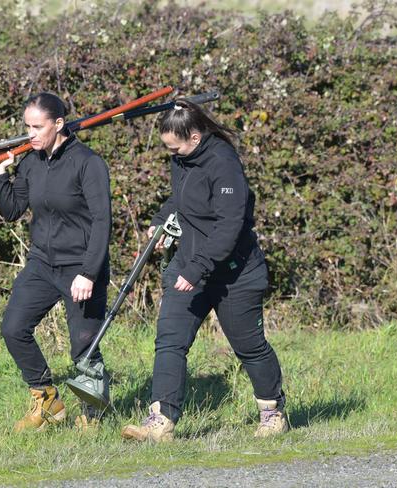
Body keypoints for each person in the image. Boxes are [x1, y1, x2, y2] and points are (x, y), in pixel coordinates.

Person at [121, 99, 288, 442]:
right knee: (170, 342)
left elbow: (229, 225)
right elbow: (181, 202)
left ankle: (273, 413)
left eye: (175, 146)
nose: (172, 153)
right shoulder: (182, 161)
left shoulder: (224, 164)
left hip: (234, 273)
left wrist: (197, 266)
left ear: (194, 137)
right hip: (191, 267)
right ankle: (161, 421)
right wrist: (160, 223)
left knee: (250, 346)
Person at [0, 92, 111, 432]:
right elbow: (13, 210)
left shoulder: (88, 163)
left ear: (58, 124)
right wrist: (1, 176)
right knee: (13, 328)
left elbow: (103, 222)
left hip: (81, 267)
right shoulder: (31, 161)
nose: (30, 134)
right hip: (42, 263)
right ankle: (46, 399)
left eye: (37, 127)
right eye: (27, 126)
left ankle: (93, 411)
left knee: (83, 345)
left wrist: (89, 273)